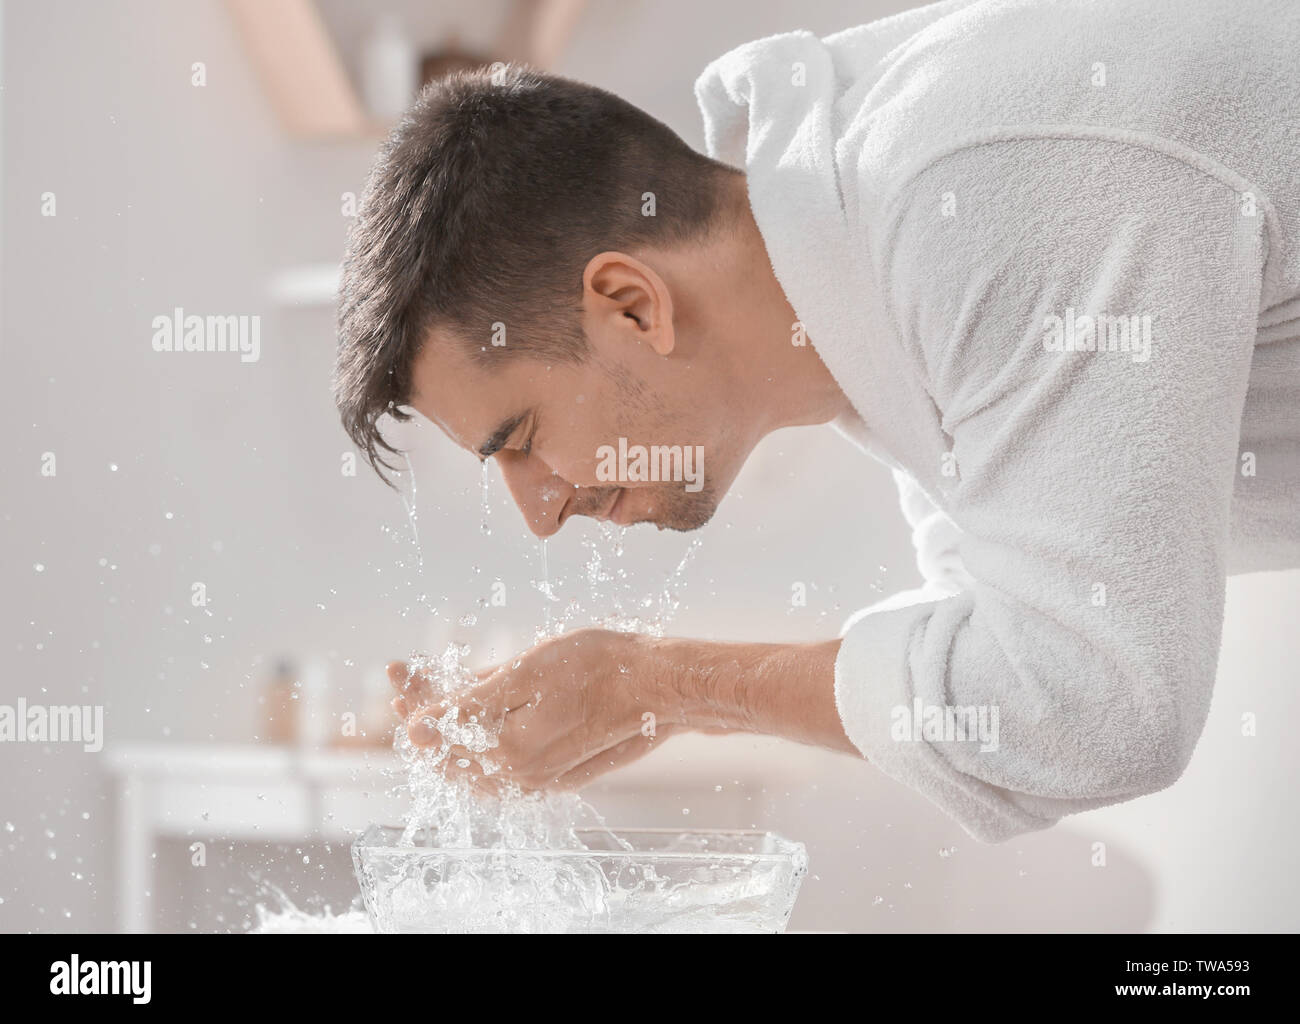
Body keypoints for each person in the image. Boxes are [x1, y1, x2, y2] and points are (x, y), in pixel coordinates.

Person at [333, 0, 1300, 841]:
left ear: (631, 304)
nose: (538, 512)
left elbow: (1096, 710)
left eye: (522, 440)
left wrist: (651, 685)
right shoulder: (872, 311)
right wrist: (641, 694)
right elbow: (996, 684)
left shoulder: (972, 201)